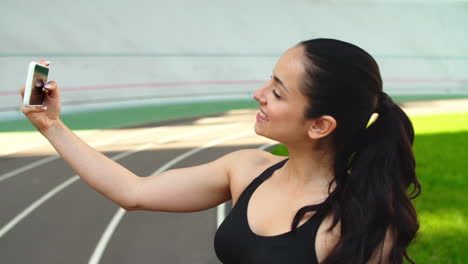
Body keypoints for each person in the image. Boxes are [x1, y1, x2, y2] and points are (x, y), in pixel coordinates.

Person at [21, 38, 420, 264]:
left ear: (320, 125)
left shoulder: (359, 225)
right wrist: (51, 126)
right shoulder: (246, 168)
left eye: (278, 92)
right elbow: (134, 192)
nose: (258, 94)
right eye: (270, 79)